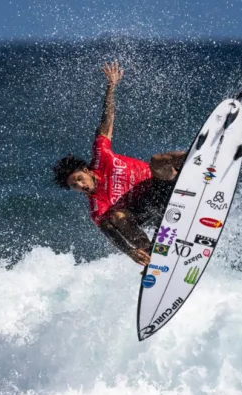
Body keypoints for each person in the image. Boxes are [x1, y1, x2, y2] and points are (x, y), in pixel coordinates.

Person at [52, 61, 186, 266]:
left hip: (164, 184)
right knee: (118, 216)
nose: (79, 185)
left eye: (79, 178)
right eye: (74, 185)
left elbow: (107, 120)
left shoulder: (101, 156)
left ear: (86, 170)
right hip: (150, 208)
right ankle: (150, 254)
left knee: (156, 161)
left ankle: (198, 157)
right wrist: (130, 251)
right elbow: (108, 230)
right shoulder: (97, 206)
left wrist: (111, 87)